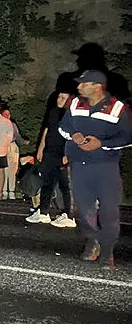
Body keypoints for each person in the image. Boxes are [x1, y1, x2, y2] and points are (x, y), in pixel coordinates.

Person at [58, 70, 132, 270]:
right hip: (80, 165)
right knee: (84, 209)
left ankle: (107, 252)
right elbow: (62, 127)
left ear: (97, 87)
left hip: (105, 166)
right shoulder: (75, 104)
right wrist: (73, 135)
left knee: (109, 209)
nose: (79, 87)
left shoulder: (118, 108)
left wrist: (102, 144)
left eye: (84, 84)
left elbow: (127, 138)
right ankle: (93, 239)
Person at [25, 91, 75, 227]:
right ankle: (43, 212)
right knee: (47, 182)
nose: (59, 99)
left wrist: (68, 154)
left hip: (62, 152)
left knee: (64, 184)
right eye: (59, 97)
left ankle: (68, 215)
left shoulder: (72, 114)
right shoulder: (53, 111)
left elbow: (76, 135)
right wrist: (41, 147)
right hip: (50, 152)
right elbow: (47, 129)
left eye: (63, 98)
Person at [1, 106, 29, 200]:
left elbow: (17, 137)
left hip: (10, 146)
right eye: (5, 114)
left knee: (12, 169)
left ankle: (9, 191)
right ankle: (6, 191)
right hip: (6, 146)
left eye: (8, 114)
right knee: (6, 169)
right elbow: (17, 137)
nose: (7, 116)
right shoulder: (4, 125)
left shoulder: (10, 124)